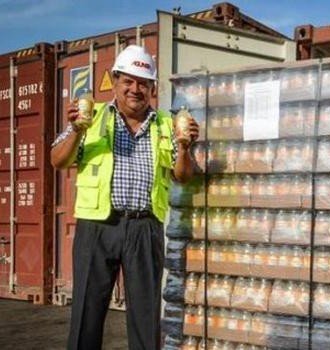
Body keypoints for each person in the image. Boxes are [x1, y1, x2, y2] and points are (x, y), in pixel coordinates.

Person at [51, 45, 199, 350]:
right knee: (87, 313)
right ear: (115, 81)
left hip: (145, 228)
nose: (135, 89)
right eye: (128, 81)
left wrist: (184, 148)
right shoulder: (90, 117)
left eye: (143, 83)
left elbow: (183, 176)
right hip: (97, 226)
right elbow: (58, 159)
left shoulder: (166, 126)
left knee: (145, 316)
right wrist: (76, 129)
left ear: (153, 89)